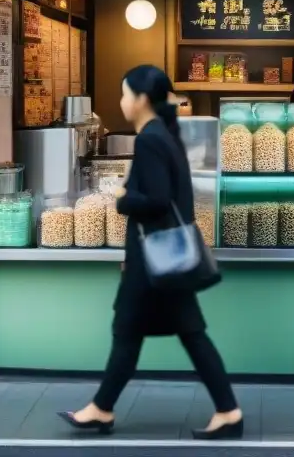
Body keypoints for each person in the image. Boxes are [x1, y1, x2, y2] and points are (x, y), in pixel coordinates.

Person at [59, 65, 242, 440]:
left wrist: (124, 199)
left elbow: (158, 201)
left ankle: (102, 410)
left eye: (125, 94)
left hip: (155, 262)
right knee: (179, 334)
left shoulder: (150, 139)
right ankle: (225, 411)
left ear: (142, 99)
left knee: (132, 332)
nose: (122, 101)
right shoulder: (163, 135)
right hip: (162, 258)